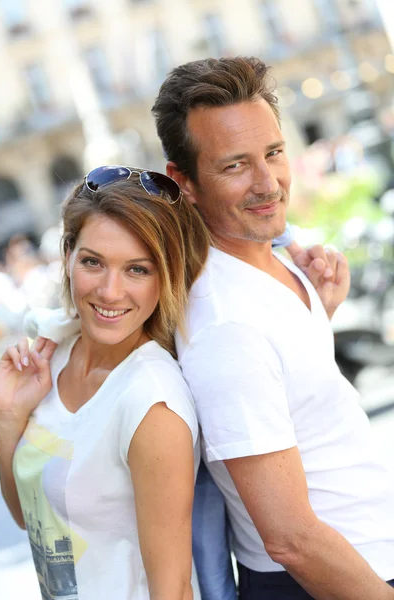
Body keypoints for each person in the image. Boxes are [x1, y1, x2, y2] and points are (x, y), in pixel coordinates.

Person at [151, 56, 394, 599]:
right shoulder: (225, 324)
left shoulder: (275, 259)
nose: (268, 183)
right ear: (183, 182)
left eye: (274, 153)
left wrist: (317, 314)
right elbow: (289, 539)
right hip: (329, 582)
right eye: (234, 166)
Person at [0, 167, 211, 600]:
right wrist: (7, 416)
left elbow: (174, 590)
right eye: (93, 262)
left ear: (165, 276)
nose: (111, 292)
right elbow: (32, 518)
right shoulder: (52, 352)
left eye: (137, 269)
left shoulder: (152, 403)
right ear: (68, 255)